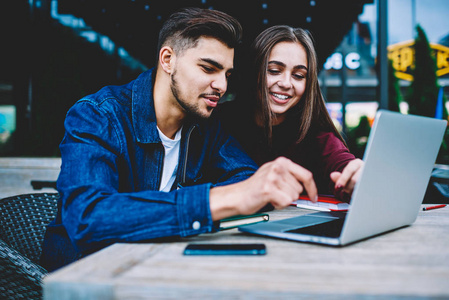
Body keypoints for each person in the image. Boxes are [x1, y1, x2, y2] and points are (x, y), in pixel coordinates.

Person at [40, 9, 319, 271]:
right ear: (167, 60)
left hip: (160, 268)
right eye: (209, 68)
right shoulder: (97, 116)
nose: (222, 86)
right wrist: (212, 202)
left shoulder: (205, 127)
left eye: (227, 74)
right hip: (88, 277)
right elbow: (89, 217)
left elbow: (245, 177)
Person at [217, 25, 363, 200]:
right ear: (254, 72)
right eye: (274, 71)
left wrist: (356, 175)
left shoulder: (317, 135)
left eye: (299, 75)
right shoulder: (219, 122)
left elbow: (343, 165)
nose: (286, 83)